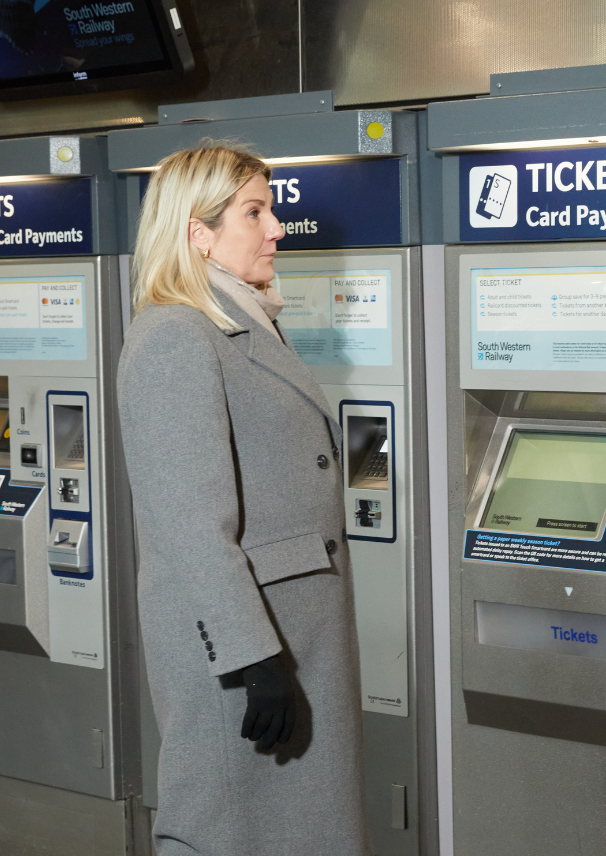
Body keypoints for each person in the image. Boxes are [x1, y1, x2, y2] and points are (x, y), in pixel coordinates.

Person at [117, 145, 371, 855]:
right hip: (244, 647)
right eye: (254, 212)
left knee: (288, 831)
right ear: (198, 232)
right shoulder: (176, 336)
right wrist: (253, 659)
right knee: (223, 829)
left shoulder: (241, 321)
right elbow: (191, 525)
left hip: (289, 633)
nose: (277, 229)